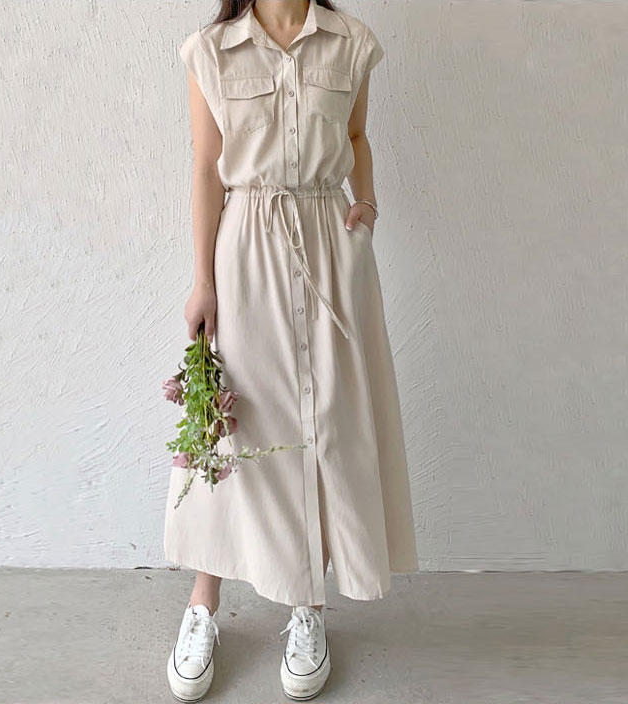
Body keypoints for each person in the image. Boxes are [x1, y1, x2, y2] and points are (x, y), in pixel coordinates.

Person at [163, 1, 419, 700]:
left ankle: (307, 602)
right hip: (247, 246)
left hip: (331, 248)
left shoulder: (351, 43)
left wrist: (367, 203)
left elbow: (357, 134)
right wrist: (202, 281)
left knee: (326, 420)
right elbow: (207, 168)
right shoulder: (211, 49)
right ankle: (203, 603)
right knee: (234, 425)